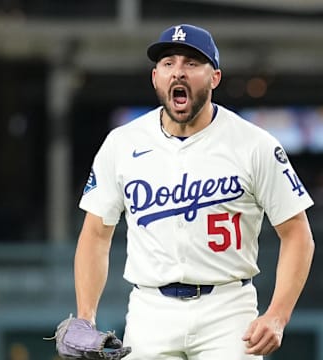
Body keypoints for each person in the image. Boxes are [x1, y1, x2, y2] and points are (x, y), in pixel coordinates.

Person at [71, 24, 315, 359]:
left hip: (228, 309)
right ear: (155, 76)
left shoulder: (255, 145)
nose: (178, 72)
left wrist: (277, 314)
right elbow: (96, 234)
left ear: (214, 77)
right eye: (168, 63)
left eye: (191, 63)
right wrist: (85, 317)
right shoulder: (122, 144)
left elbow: (298, 234)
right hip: (149, 309)